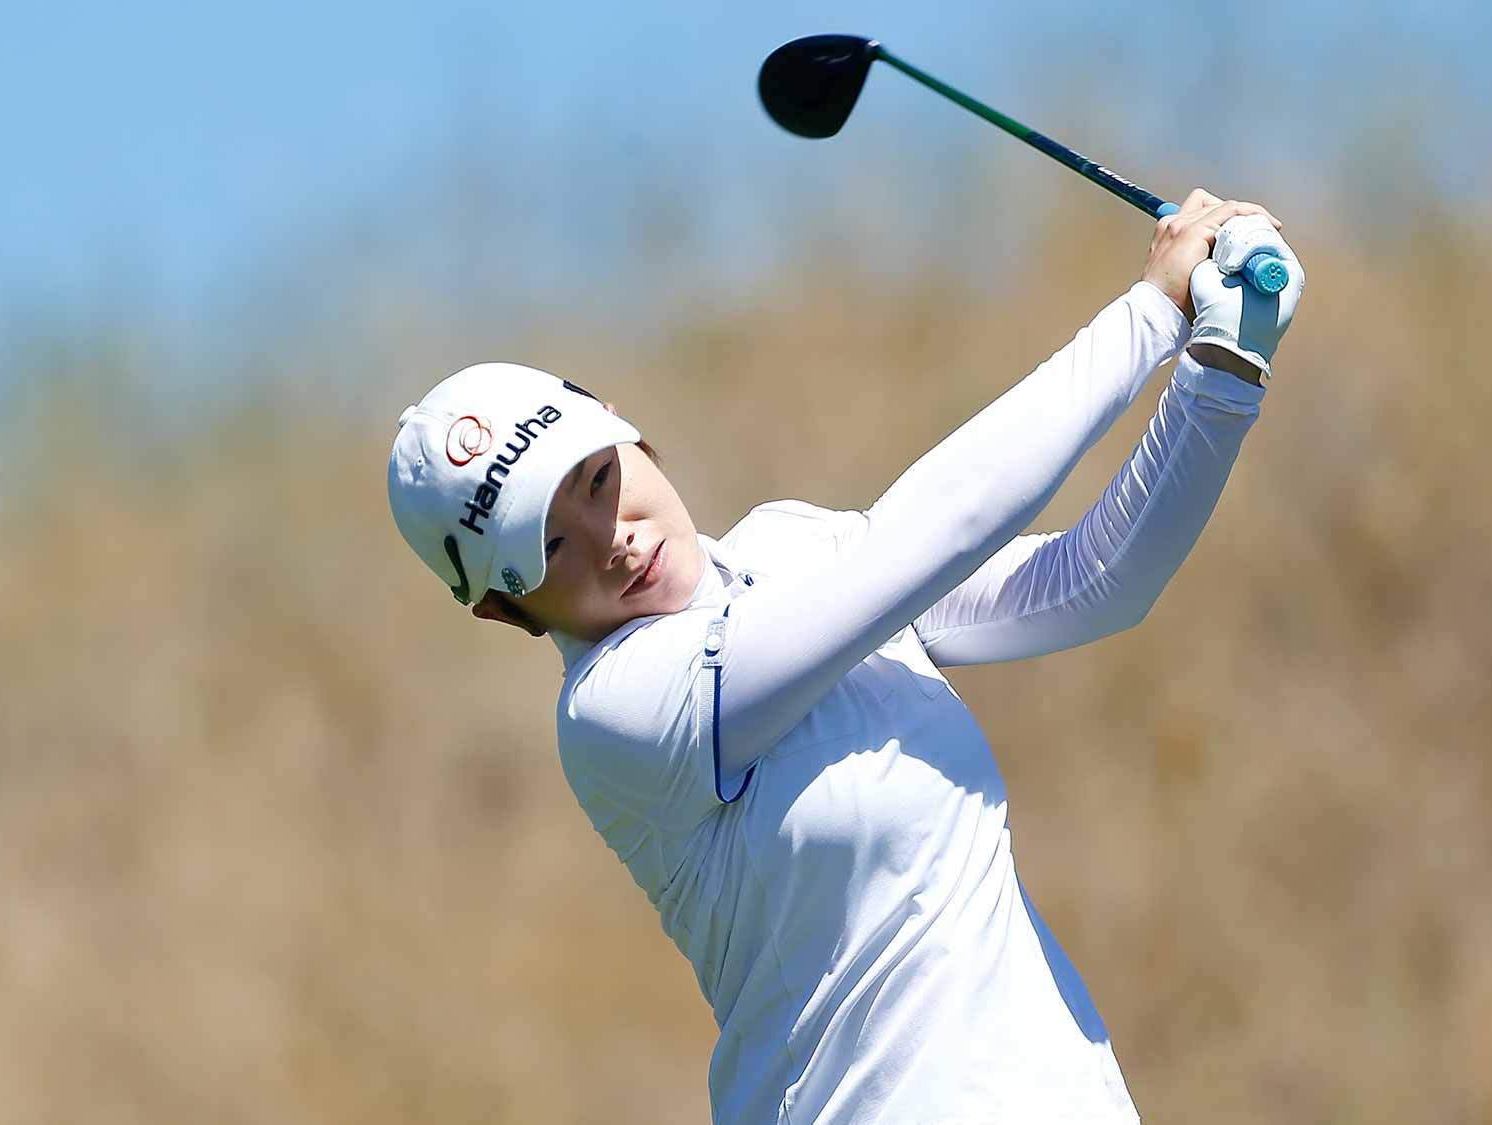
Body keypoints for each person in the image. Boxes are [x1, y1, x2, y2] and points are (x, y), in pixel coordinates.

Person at [388, 190, 1303, 1124]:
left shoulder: (796, 545)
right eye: (547, 549)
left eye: (595, 480)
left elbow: (1094, 579)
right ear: (504, 610)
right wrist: (1149, 313)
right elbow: (934, 533)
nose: (607, 538)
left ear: (627, 431)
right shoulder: (617, 714)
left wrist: (1221, 367)